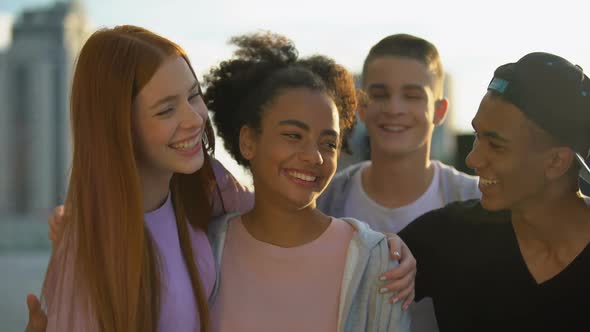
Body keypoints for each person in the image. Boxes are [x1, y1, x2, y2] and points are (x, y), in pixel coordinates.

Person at [25, 28, 417, 332]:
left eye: (193, 96)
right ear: (120, 127)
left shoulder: (205, 187)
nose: (194, 120)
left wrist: (378, 245)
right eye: (166, 110)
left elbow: (277, 212)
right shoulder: (88, 248)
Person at [204, 31, 410, 331]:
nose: (314, 156)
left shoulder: (376, 260)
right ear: (248, 141)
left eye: (328, 143)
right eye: (293, 135)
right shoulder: (205, 247)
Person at [398, 52, 590, 331]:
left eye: (496, 145)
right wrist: (375, 248)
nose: (472, 160)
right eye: (478, 136)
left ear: (556, 161)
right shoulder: (447, 237)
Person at [317, 33, 480, 331]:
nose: (394, 108)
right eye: (379, 94)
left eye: (412, 95)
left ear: (440, 111)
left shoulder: (474, 199)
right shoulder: (326, 200)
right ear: (361, 108)